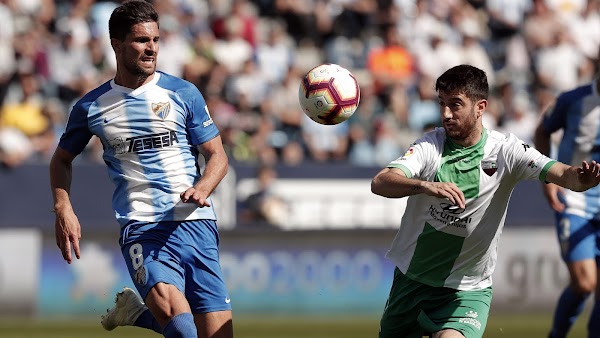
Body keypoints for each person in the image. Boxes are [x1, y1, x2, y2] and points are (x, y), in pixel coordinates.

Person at [370, 64, 600, 338]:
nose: (445, 114)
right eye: (442, 104)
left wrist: (581, 179)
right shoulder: (429, 147)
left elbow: (562, 173)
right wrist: (424, 186)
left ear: (480, 107)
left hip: (467, 291)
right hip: (412, 282)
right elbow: (381, 182)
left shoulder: (507, 151)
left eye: (455, 105)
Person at [48, 1, 233, 338]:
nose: (151, 49)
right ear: (116, 44)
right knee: (183, 332)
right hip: (143, 228)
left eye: (156, 40)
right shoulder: (91, 106)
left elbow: (217, 155)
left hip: (196, 224)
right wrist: (63, 206)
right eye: (141, 40)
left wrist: (203, 188)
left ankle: (135, 313)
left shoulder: (182, 92)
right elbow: (61, 159)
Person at [533, 68, 600, 338]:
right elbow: (542, 131)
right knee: (584, 284)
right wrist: (546, 178)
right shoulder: (573, 100)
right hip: (575, 200)